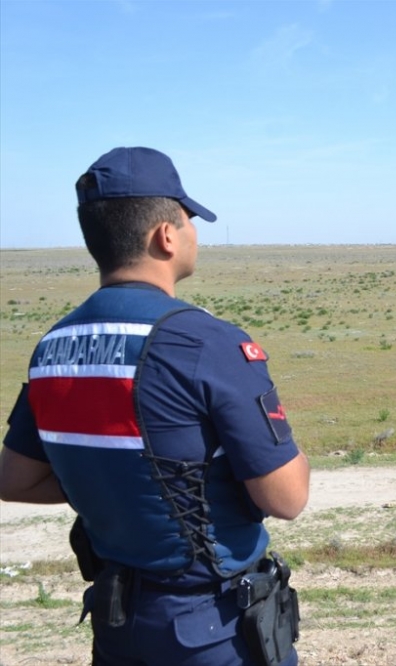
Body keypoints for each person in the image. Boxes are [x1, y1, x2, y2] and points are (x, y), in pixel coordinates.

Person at [0, 147, 310, 666]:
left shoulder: (53, 347)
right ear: (165, 236)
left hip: (117, 621)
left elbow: (14, 479)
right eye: (189, 220)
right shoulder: (207, 343)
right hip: (212, 630)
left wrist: (114, 485)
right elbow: (287, 495)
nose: (193, 233)